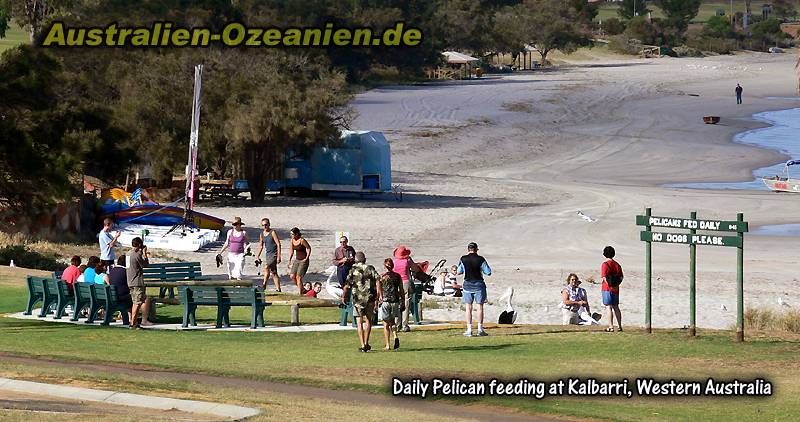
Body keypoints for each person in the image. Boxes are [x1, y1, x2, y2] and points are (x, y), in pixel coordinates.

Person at [343, 252, 380, 352]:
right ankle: (366, 343)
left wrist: (344, 296)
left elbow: (347, 285)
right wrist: (378, 293)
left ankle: (362, 344)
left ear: (355, 260)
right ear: (365, 259)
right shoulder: (370, 268)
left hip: (357, 300)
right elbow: (378, 279)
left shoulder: (353, 270)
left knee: (359, 322)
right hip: (370, 298)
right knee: (368, 320)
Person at [457, 242, 492, 337]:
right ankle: (480, 329)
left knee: (468, 308)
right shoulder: (481, 259)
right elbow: (488, 272)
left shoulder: (463, 259)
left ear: (468, 249)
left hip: (467, 284)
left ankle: (469, 330)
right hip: (479, 284)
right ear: (476, 249)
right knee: (479, 307)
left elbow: (459, 271)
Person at [377, 258, 405, 351]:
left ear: (384, 266)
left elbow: (378, 291)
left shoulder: (381, 277)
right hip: (395, 301)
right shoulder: (397, 276)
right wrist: (403, 302)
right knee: (392, 322)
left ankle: (388, 345)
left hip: (385, 301)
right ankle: (395, 336)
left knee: (385, 324)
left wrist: (378, 300)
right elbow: (401, 290)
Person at [127, 237, 152, 329]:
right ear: (139, 245)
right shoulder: (136, 255)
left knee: (134, 302)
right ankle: (133, 323)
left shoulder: (128, 254)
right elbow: (145, 264)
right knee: (137, 303)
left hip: (130, 281)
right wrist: (144, 254)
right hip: (137, 282)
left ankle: (133, 322)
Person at [601, 245, 624, 332]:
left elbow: (604, 277)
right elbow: (621, 277)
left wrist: (610, 286)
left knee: (608, 307)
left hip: (607, 288)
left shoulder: (605, 264)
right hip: (616, 289)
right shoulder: (617, 264)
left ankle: (610, 326)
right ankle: (619, 326)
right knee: (616, 307)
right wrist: (616, 285)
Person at [391, 245, 414, 332]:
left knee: (397, 302)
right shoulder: (407, 261)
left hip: (396, 282)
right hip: (405, 281)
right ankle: (405, 324)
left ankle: (397, 324)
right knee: (406, 302)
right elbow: (413, 267)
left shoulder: (394, 262)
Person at [255, 218, 281, 291]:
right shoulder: (262, 234)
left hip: (274, 254)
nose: (264, 227)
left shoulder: (272, 232)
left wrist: (279, 256)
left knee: (266, 267)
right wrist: (257, 256)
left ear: (269, 224)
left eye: (266, 225)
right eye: (263, 225)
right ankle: (278, 289)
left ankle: (264, 285)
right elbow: (261, 245)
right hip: (268, 254)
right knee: (274, 272)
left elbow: (278, 244)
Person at [108, 255, 133, 323]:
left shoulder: (112, 271)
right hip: (122, 297)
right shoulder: (125, 271)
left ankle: (130, 317)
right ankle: (132, 318)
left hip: (113, 296)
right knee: (136, 298)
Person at [287, 227, 312, 294]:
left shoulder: (302, 240)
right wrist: (289, 260)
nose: (291, 235)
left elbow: (309, 248)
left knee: (298, 277)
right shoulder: (292, 240)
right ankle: (302, 289)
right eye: (291, 234)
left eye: (292, 234)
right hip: (297, 260)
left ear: (297, 234)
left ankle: (301, 293)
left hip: (303, 260)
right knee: (292, 276)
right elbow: (291, 251)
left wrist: (307, 257)